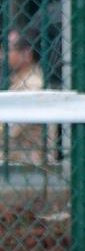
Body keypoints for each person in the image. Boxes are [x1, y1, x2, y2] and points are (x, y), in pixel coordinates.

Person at [2, 27, 47, 165]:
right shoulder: (18, 80)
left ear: (27, 53)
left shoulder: (33, 84)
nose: (2, 55)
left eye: (7, 49)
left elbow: (9, 130)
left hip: (27, 163)